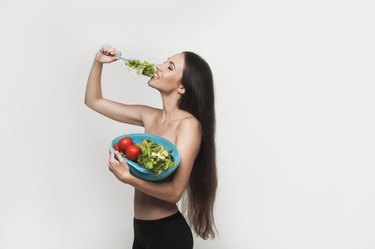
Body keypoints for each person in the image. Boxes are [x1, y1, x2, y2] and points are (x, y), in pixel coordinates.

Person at [84, 44, 217, 249]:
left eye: (170, 67)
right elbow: (94, 101)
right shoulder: (149, 116)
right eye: (165, 61)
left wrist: (128, 178)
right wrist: (97, 63)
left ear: (182, 87)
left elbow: (174, 192)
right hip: (141, 229)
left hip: (167, 235)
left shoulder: (188, 125)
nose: (159, 66)